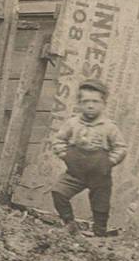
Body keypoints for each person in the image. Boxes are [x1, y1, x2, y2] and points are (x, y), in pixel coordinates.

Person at [49, 78, 127, 236]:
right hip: (75, 172)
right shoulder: (72, 123)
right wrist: (66, 155)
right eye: (85, 101)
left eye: (95, 102)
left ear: (103, 103)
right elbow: (58, 140)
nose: (90, 105)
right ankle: (69, 224)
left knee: (101, 204)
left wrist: (109, 162)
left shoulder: (109, 127)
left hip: (100, 174)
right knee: (58, 192)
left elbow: (120, 147)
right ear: (79, 103)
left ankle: (99, 233)